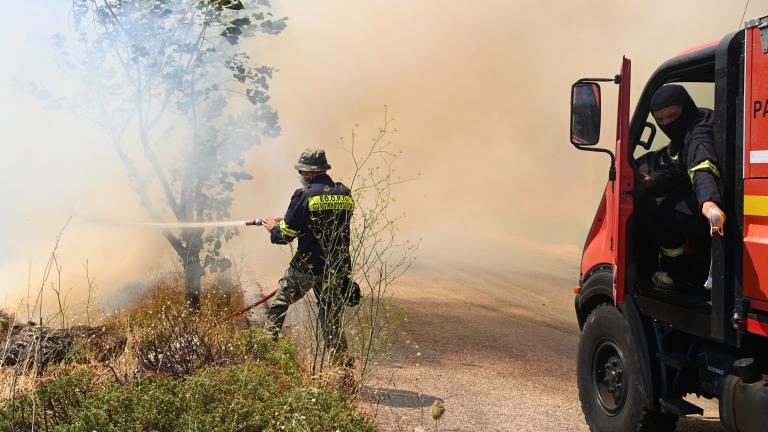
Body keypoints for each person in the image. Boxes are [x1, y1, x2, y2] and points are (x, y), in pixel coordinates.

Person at [261, 148, 356, 363]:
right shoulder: (344, 193)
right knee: (331, 316)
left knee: (279, 304)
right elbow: (326, 221)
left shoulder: (304, 195)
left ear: (309, 172)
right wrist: (291, 218)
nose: (301, 176)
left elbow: (285, 236)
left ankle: (264, 355)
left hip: (308, 266)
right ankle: (340, 366)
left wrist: (273, 227)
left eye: (302, 171)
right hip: (337, 266)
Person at [642, 85, 726, 291]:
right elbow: (681, 167)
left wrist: (709, 202)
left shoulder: (698, 136)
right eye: (660, 120)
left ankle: (679, 275)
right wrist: (652, 181)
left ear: (686, 107)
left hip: (718, 206)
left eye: (672, 115)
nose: (667, 123)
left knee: (663, 210)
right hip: (716, 201)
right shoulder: (700, 119)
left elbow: (702, 165)